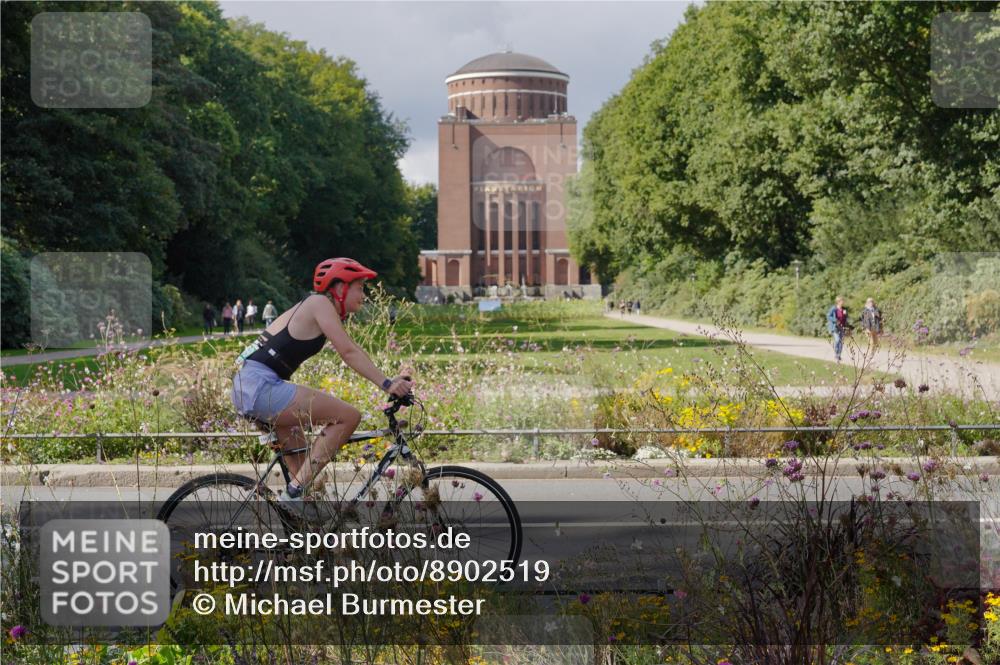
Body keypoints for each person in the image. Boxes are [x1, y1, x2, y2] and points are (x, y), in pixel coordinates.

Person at [231, 258, 413, 505]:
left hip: (252, 385)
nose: (364, 294)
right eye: (359, 287)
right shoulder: (319, 303)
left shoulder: (315, 306)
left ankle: (299, 526)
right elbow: (348, 352)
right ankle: (293, 495)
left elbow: (352, 350)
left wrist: (389, 380)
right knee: (348, 417)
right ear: (339, 288)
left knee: (306, 474)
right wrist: (387, 384)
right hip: (260, 386)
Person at [826, 296, 850, 363]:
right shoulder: (834, 309)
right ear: (838, 302)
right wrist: (835, 320)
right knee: (837, 340)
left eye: (843, 301)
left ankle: (839, 355)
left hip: (842, 327)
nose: (843, 302)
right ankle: (836, 354)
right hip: (835, 327)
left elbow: (845, 318)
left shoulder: (844, 309)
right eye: (842, 301)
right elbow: (828, 316)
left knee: (841, 342)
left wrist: (847, 324)